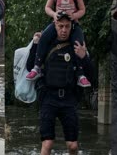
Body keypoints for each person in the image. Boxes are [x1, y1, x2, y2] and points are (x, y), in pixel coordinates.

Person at [27, 12, 93, 155]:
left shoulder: (77, 45)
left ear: (71, 27)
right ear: (54, 25)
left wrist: (84, 57)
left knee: (73, 146)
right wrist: (35, 44)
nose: (64, 30)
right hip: (48, 97)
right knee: (47, 143)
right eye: (60, 26)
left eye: (67, 26)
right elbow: (29, 67)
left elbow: (91, 75)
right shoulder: (45, 43)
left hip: (69, 99)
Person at [26, 0, 91, 88]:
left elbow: (83, 10)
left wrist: (75, 15)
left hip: (73, 24)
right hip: (57, 23)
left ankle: (81, 74)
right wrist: (54, 14)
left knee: (78, 43)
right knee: (44, 37)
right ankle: (37, 67)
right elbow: (47, 8)